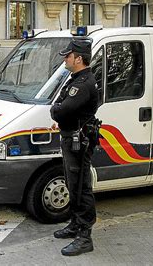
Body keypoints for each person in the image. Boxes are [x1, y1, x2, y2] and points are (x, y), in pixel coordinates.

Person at [50, 38, 99, 256]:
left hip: (79, 141)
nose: (65, 59)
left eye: (68, 56)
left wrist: (57, 110)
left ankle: (84, 236)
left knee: (81, 186)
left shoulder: (83, 83)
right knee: (73, 183)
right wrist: (58, 109)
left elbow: (60, 110)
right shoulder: (76, 79)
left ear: (78, 58)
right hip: (72, 139)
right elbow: (58, 104)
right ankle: (75, 224)